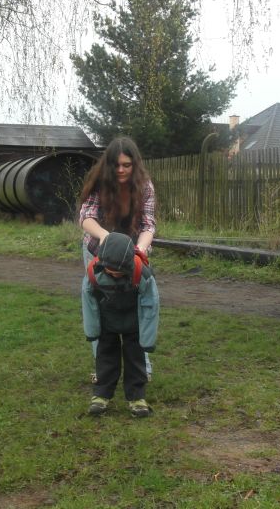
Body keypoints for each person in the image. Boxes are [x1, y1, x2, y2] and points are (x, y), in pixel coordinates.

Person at [78, 136, 156, 379]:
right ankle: (104, 370)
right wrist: (106, 237)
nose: (121, 170)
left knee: (138, 306)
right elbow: (86, 217)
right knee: (99, 307)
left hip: (133, 253)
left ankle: (142, 368)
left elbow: (148, 225)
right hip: (97, 249)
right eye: (116, 165)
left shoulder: (145, 187)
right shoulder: (100, 183)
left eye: (127, 165)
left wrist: (140, 250)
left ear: (135, 165)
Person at [81, 232, 158, 417]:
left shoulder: (142, 273)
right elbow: (89, 303)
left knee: (135, 358)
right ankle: (101, 396)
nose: (114, 273)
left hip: (133, 323)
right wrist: (92, 331)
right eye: (109, 270)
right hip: (107, 323)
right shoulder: (93, 273)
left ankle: (137, 398)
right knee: (106, 357)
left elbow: (151, 305)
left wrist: (147, 340)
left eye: (119, 270)